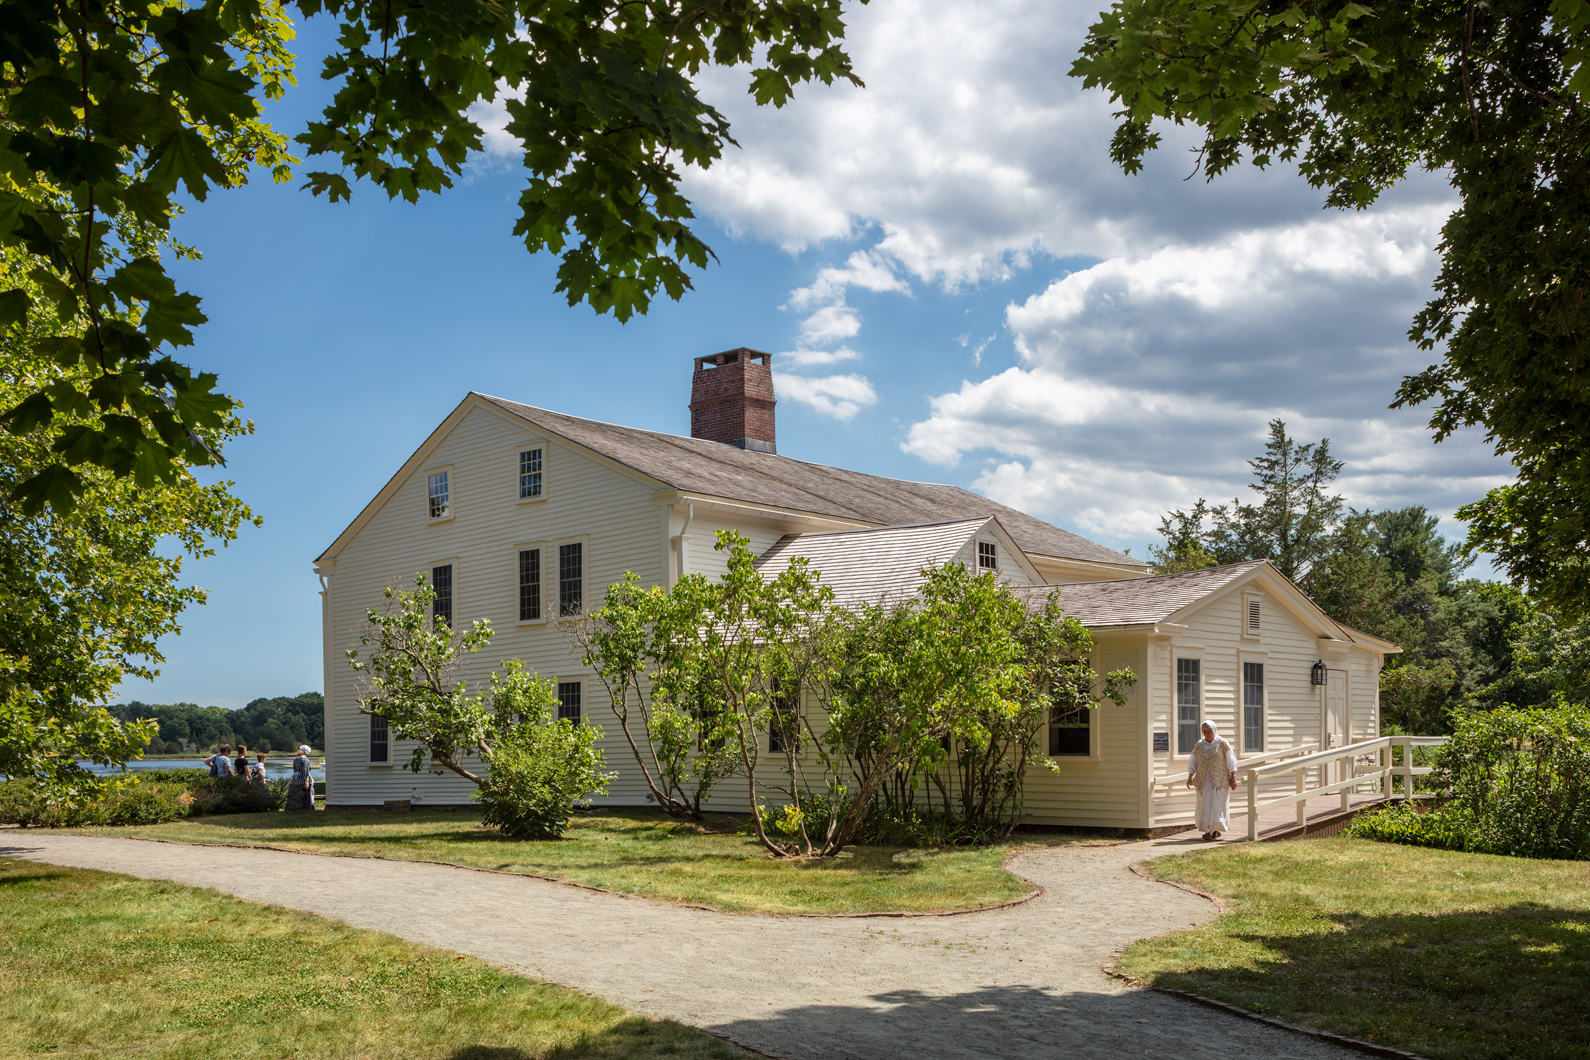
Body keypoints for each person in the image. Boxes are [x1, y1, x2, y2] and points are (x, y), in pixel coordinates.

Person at [1185, 721, 1238, 840]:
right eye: (1204, 732)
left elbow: (1231, 761)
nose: (1207, 734)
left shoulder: (1222, 743)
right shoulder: (1199, 744)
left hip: (1219, 780)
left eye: (1209, 731)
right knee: (1205, 804)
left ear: (1214, 730)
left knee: (1217, 805)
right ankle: (1209, 830)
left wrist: (1233, 778)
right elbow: (1193, 761)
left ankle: (1215, 829)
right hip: (1204, 780)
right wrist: (1190, 776)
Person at [286, 744, 315, 811]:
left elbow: (294, 769)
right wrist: (307, 781)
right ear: (306, 753)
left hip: (295, 779)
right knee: (306, 795)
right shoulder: (305, 760)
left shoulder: (296, 759)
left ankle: (293, 807)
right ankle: (306, 808)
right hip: (302, 780)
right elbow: (305, 771)